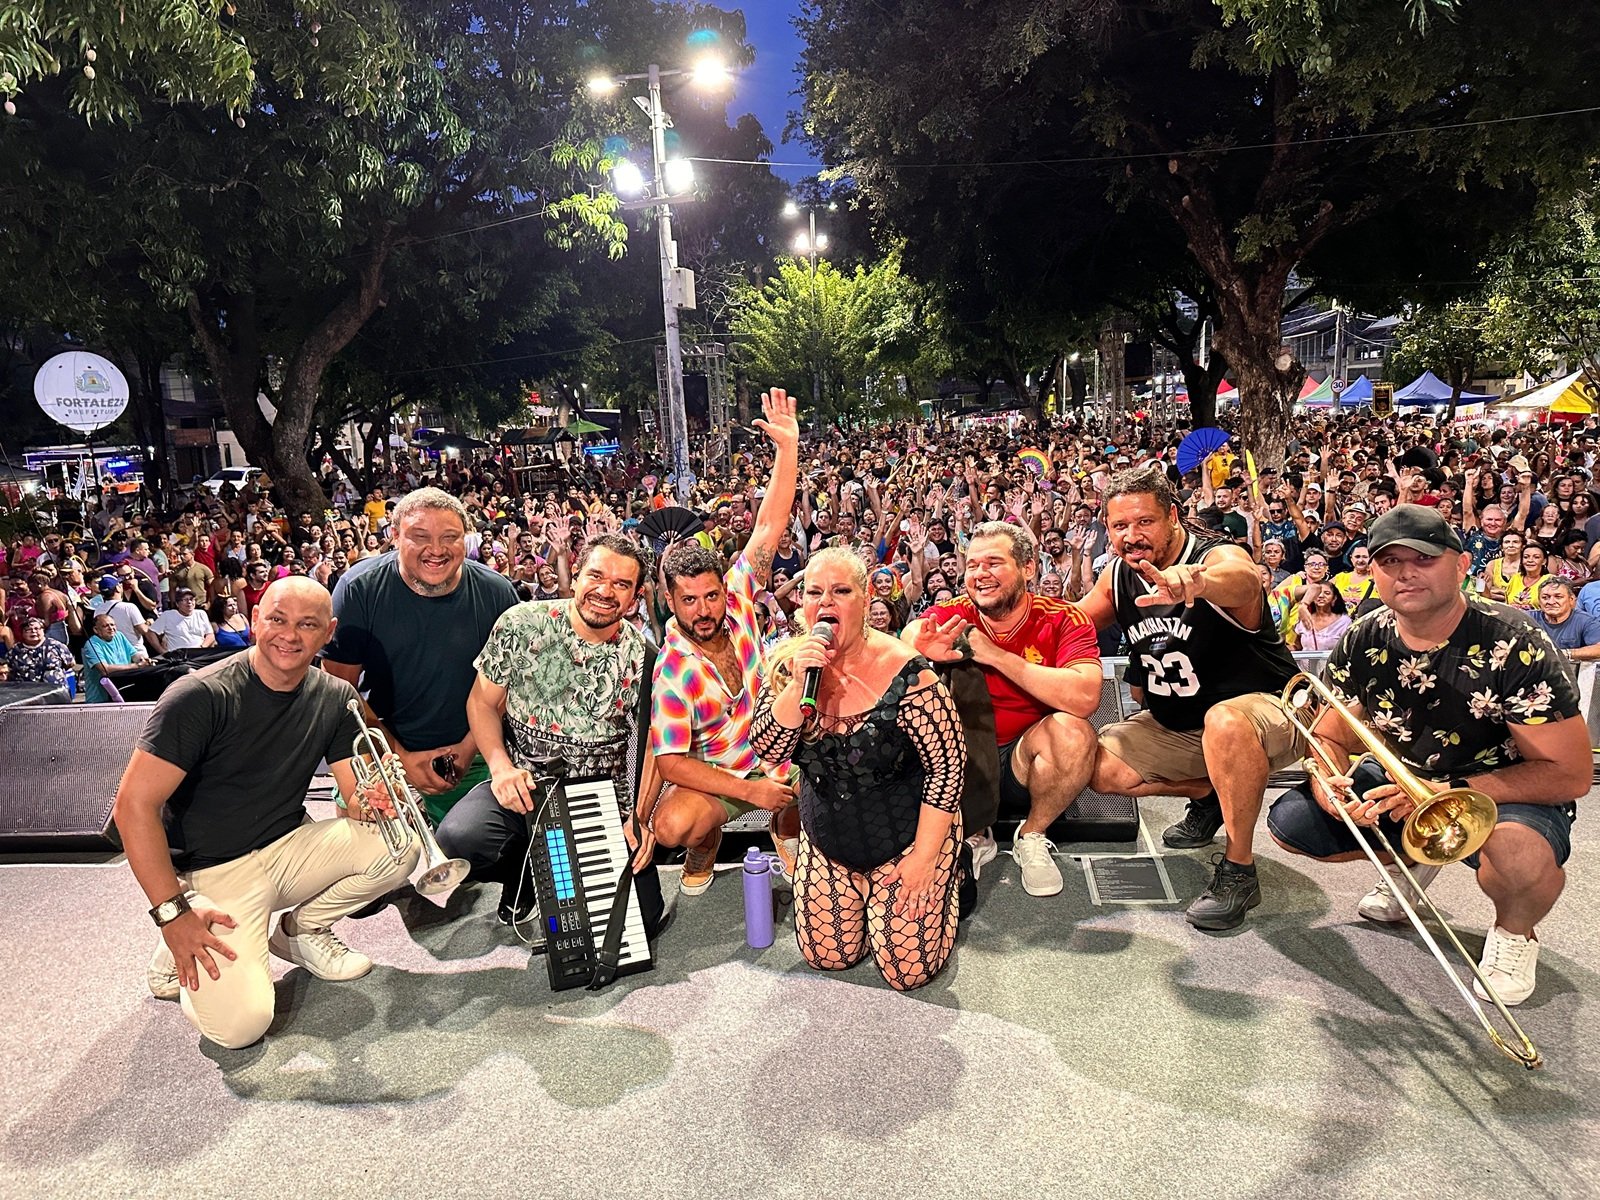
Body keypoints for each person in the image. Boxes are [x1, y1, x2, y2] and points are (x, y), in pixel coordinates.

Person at [1266, 505, 1590, 1005]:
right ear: (1371, 571)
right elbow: (1330, 736)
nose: (1405, 572)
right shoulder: (1363, 636)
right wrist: (1328, 783)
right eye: (1389, 560)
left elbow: (1568, 775)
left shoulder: (1517, 639)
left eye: (1423, 557)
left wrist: (1449, 793)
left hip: (1504, 788)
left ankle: (1515, 931)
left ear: (1461, 566)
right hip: (1407, 779)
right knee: (1293, 822)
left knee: (1519, 859)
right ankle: (1415, 858)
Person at [110, 578, 419, 1049]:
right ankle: (181, 929)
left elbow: (354, 799)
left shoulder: (334, 695)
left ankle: (302, 932)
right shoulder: (199, 695)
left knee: (400, 842)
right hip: (212, 872)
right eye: (277, 619)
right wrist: (172, 915)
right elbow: (133, 808)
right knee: (241, 1029)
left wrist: (375, 798)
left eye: (307, 624)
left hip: (288, 846)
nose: (289, 635)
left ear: (328, 633)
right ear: (256, 620)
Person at [1076, 467, 1303, 930]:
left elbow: (1241, 579)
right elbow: (1072, 623)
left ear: (1173, 517)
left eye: (1144, 522)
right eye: (1119, 526)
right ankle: (1213, 794)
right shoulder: (1118, 574)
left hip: (1270, 711)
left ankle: (1240, 870)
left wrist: (1197, 583)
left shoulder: (1215, 556)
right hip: (1183, 725)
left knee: (1226, 722)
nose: (1131, 536)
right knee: (1094, 763)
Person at [751, 548, 966, 990]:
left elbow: (948, 769)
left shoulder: (909, 674)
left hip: (907, 834)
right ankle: (868, 898)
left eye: (840, 591)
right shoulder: (787, 665)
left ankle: (951, 873)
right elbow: (768, 749)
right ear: (802, 604)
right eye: (814, 592)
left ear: (866, 599)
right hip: (830, 833)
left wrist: (925, 859)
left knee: (906, 972)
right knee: (828, 957)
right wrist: (797, 686)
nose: (825, 603)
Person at [438, 534, 665, 933]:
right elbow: (481, 703)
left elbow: (642, 744)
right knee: (460, 837)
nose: (605, 591)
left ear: (634, 599)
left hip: (598, 795)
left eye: (621, 584)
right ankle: (521, 876)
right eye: (596, 576)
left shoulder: (643, 656)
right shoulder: (521, 624)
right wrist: (500, 768)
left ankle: (553, 868)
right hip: (525, 781)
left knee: (640, 921)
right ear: (575, 577)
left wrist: (635, 816)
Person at [648, 387, 801, 893]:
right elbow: (669, 761)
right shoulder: (672, 670)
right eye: (689, 600)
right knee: (671, 825)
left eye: (710, 596)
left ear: (723, 588)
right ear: (671, 601)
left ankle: (792, 835)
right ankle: (706, 845)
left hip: (779, 750)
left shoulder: (737, 597)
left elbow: (769, 525)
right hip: (722, 773)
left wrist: (788, 449)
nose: (704, 610)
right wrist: (748, 792)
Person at [902, 521, 1102, 897]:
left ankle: (1033, 833)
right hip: (961, 761)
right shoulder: (957, 612)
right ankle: (975, 834)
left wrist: (997, 657)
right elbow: (914, 633)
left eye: (993, 563)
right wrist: (918, 644)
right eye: (973, 565)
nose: (980, 575)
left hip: (1024, 763)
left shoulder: (1064, 618)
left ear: (1027, 568)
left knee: (1075, 732)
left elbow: (1085, 697)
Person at [323, 487, 518, 825]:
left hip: (474, 757)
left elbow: (509, 686)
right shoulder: (358, 588)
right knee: (371, 866)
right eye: (420, 536)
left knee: (480, 857)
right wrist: (400, 756)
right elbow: (340, 692)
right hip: (381, 753)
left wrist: (468, 749)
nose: (436, 550)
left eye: (450, 537)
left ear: (466, 539)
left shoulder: (497, 592)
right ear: (395, 536)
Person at [81, 610, 149, 702]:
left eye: (113, 625)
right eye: (106, 626)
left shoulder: (119, 636)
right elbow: (105, 670)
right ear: (96, 630)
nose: (111, 628)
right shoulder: (91, 644)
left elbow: (134, 655)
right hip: (100, 700)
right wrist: (137, 666)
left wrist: (143, 659)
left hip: (122, 693)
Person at [1531, 576, 1600, 661]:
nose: (1551, 602)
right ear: (1539, 601)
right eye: (1545, 597)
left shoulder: (1586, 621)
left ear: (1571, 600)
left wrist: (1566, 653)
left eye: (1558, 597)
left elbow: (1598, 649)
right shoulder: (1527, 619)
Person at [7, 616, 76, 686]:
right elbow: (9, 669)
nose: (33, 631)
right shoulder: (15, 650)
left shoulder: (56, 646)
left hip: (54, 691)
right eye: (28, 629)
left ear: (43, 630)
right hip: (26, 691)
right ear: (22, 633)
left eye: (37, 629)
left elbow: (70, 663)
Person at [150, 588, 216, 652]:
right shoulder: (168, 615)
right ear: (177, 604)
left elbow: (210, 635)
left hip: (199, 654)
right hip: (177, 656)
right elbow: (150, 633)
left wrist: (202, 647)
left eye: (191, 599)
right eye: (185, 600)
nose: (189, 602)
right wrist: (161, 651)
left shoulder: (201, 614)